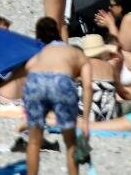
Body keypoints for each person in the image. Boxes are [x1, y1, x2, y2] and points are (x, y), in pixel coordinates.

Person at [22, 17, 87, 175]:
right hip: (61, 81)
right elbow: (88, 86)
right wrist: (85, 118)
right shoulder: (75, 52)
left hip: (36, 80)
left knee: (34, 142)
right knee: (70, 143)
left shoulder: (40, 52)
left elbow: (28, 68)